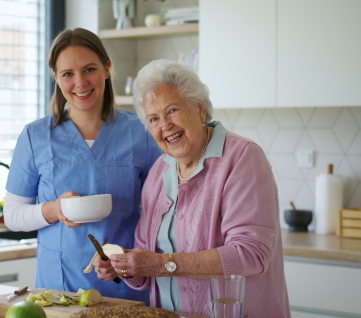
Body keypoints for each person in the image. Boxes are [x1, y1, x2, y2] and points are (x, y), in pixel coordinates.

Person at [94, 59, 291, 317]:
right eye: (154, 118)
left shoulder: (242, 158)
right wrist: (127, 265)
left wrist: (163, 264)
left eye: (172, 110)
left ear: (199, 109)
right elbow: (147, 268)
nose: (165, 126)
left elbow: (251, 254)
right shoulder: (158, 172)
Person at [4, 28, 163, 303]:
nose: (80, 82)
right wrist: (55, 209)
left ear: (106, 68)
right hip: (57, 292)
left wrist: (139, 257)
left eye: (89, 69)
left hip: (126, 289)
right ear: (56, 77)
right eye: (67, 74)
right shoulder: (35, 136)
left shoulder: (142, 132)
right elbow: (13, 215)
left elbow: (162, 212)